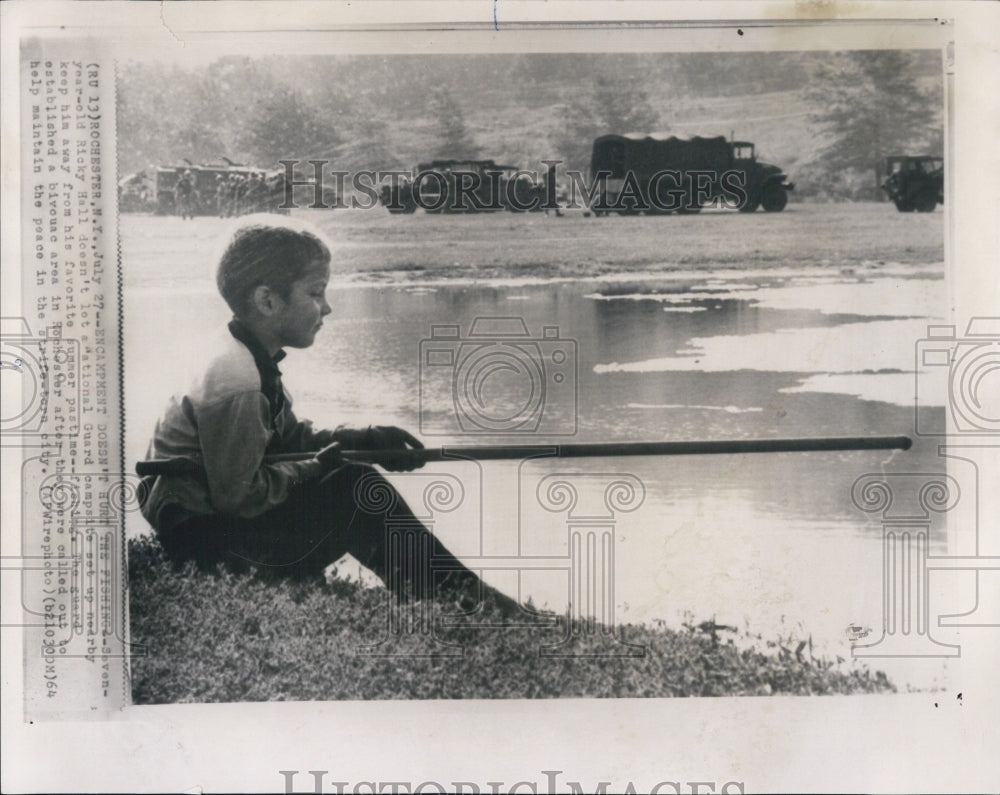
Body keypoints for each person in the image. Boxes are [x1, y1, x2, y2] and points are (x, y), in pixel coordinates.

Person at [139, 218, 518, 614]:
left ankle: (452, 593)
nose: (328, 307)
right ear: (267, 301)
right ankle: (461, 601)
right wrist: (313, 470)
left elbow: (285, 441)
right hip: (206, 547)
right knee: (354, 492)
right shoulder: (239, 380)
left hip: (206, 528)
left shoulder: (242, 352)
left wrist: (363, 440)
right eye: (316, 293)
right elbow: (240, 495)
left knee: (352, 480)